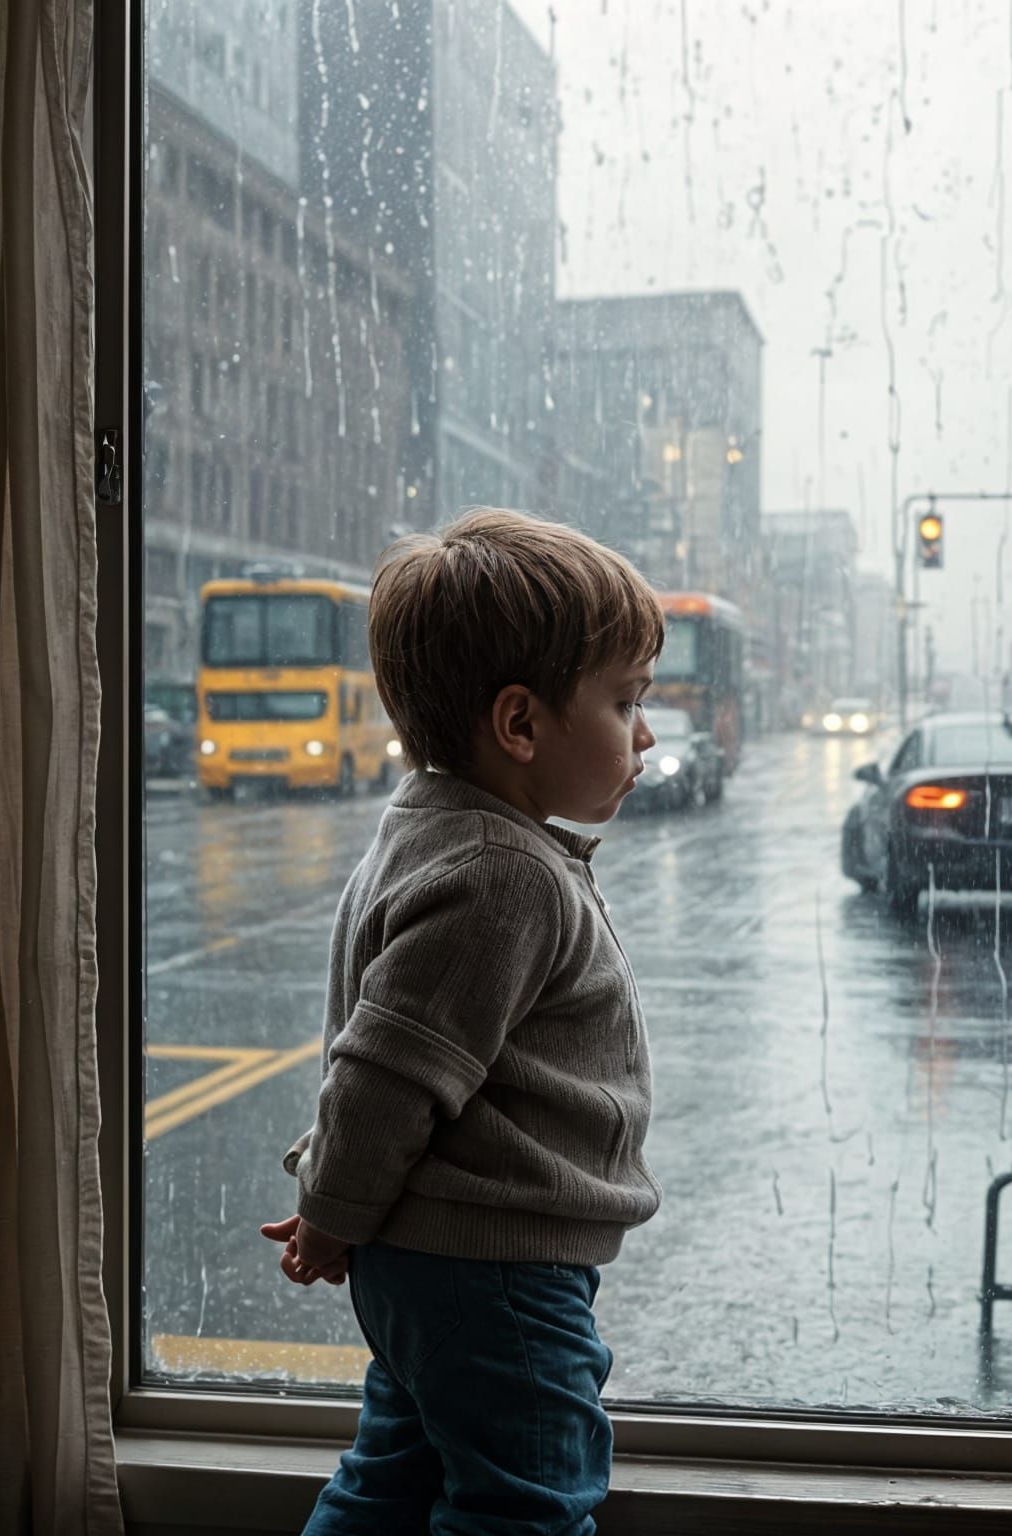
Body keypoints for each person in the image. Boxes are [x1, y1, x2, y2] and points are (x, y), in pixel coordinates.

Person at [259, 507, 664, 1535]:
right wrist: (331, 1211)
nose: (648, 734)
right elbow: (384, 1076)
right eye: (625, 703)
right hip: (492, 1274)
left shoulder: (428, 827)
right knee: (525, 1502)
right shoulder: (503, 873)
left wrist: (338, 1204)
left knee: (391, 1476)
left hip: (431, 1263)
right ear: (520, 725)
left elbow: (387, 1038)